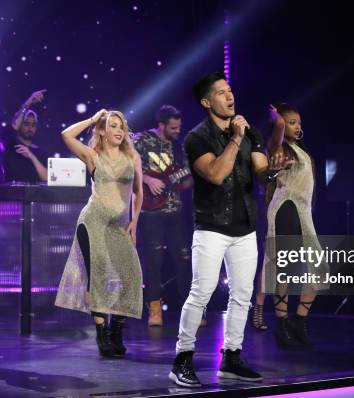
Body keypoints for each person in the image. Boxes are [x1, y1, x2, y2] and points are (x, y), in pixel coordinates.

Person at [169, 72, 291, 387]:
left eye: (230, 90)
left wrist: (274, 170)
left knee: (242, 295)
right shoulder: (197, 137)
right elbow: (215, 173)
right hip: (211, 226)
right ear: (206, 101)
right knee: (202, 292)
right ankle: (182, 358)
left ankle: (232, 357)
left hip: (245, 227)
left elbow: (262, 175)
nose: (229, 95)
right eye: (221, 92)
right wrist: (235, 139)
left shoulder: (250, 133)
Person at [55, 108, 144, 358]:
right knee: (99, 277)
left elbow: (138, 192)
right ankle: (102, 333)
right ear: (103, 132)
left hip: (120, 227)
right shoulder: (92, 155)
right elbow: (66, 135)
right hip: (92, 223)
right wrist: (93, 119)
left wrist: (135, 221)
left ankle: (117, 329)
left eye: (121, 126)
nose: (118, 130)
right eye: (112, 126)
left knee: (131, 276)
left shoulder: (133, 156)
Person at [256, 103, 325, 348]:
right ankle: (282, 324)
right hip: (286, 209)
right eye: (292, 122)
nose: (298, 126)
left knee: (319, 268)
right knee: (283, 268)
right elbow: (277, 133)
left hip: (303, 212)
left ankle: (299, 321)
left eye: (299, 122)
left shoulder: (300, 150)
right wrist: (278, 120)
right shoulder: (277, 149)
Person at [133, 104, 193, 327]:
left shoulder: (180, 147)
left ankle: (190, 309)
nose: (178, 130)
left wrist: (178, 184)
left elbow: (188, 178)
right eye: (174, 127)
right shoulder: (141, 140)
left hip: (175, 212)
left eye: (179, 127)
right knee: (153, 263)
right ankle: (154, 309)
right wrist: (148, 180)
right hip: (150, 212)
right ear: (161, 125)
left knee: (183, 259)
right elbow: (127, 166)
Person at [3, 90, 49, 183]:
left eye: (33, 124)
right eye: (26, 123)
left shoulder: (41, 152)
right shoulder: (12, 145)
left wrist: (31, 156)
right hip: (12, 195)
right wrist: (29, 102)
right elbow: (14, 125)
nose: (30, 127)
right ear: (20, 124)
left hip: (35, 196)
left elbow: (47, 178)